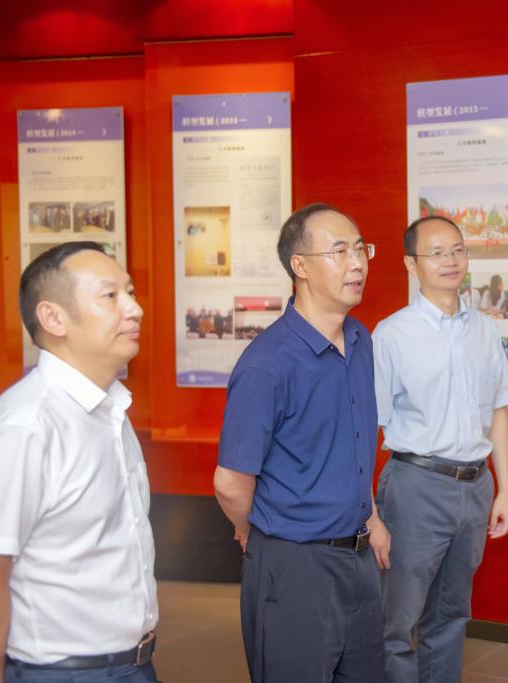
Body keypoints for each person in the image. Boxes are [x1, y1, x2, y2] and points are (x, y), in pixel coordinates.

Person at [0, 241, 158, 683]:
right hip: (62, 672)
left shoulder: (110, 410)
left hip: (132, 664)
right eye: (111, 296)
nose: (135, 309)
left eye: (130, 292)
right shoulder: (24, 426)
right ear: (53, 318)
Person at [214, 203, 387, 683]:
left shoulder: (360, 340)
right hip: (295, 564)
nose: (357, 263)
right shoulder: (267, 363)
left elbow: (352, 445)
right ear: (300, 266)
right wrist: (253, 531)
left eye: (361, 250)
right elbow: (230, 482)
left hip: (358, 557)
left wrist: (371, 516)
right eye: (339, 251)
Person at [374, 216, 508, 683]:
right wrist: (368, 512)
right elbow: (367, 426)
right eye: (436, 253)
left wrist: (504, 490)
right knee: (397, 622)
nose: (450, 260)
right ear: (410, 264)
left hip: (475, 486)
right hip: (415, 487)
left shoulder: (484, 330)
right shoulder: (391, 335)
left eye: (457, 250)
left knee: (451, 615)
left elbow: (498, 410)